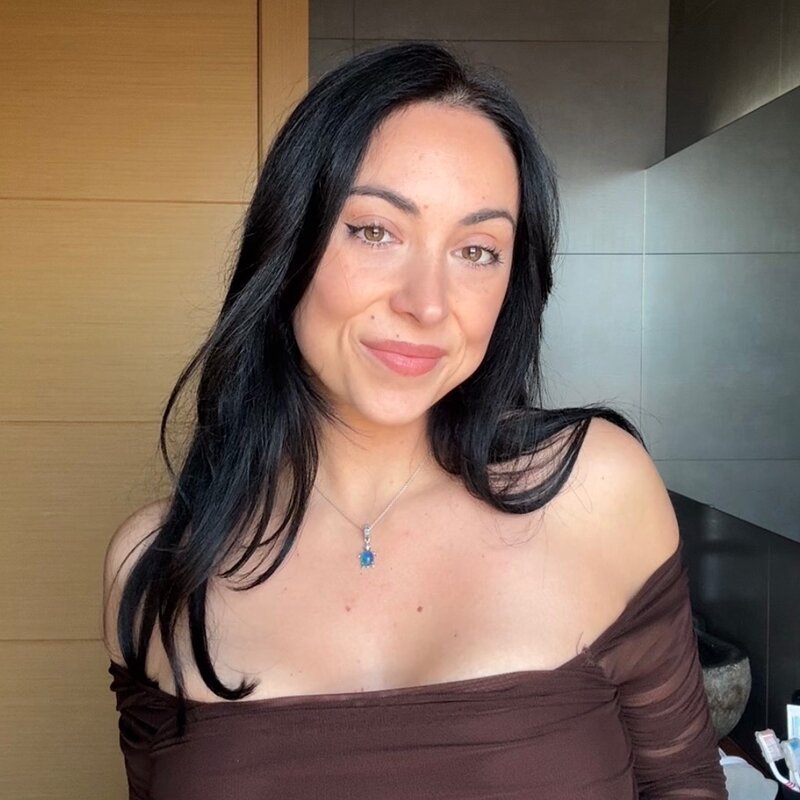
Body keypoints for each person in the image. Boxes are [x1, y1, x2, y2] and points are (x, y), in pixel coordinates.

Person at [102, 41, 727, 799]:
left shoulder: (595, 491)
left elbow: (684, 785)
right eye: (375, 231)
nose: (427, 304)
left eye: (477, 250)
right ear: (289, 241)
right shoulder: (156, 567)